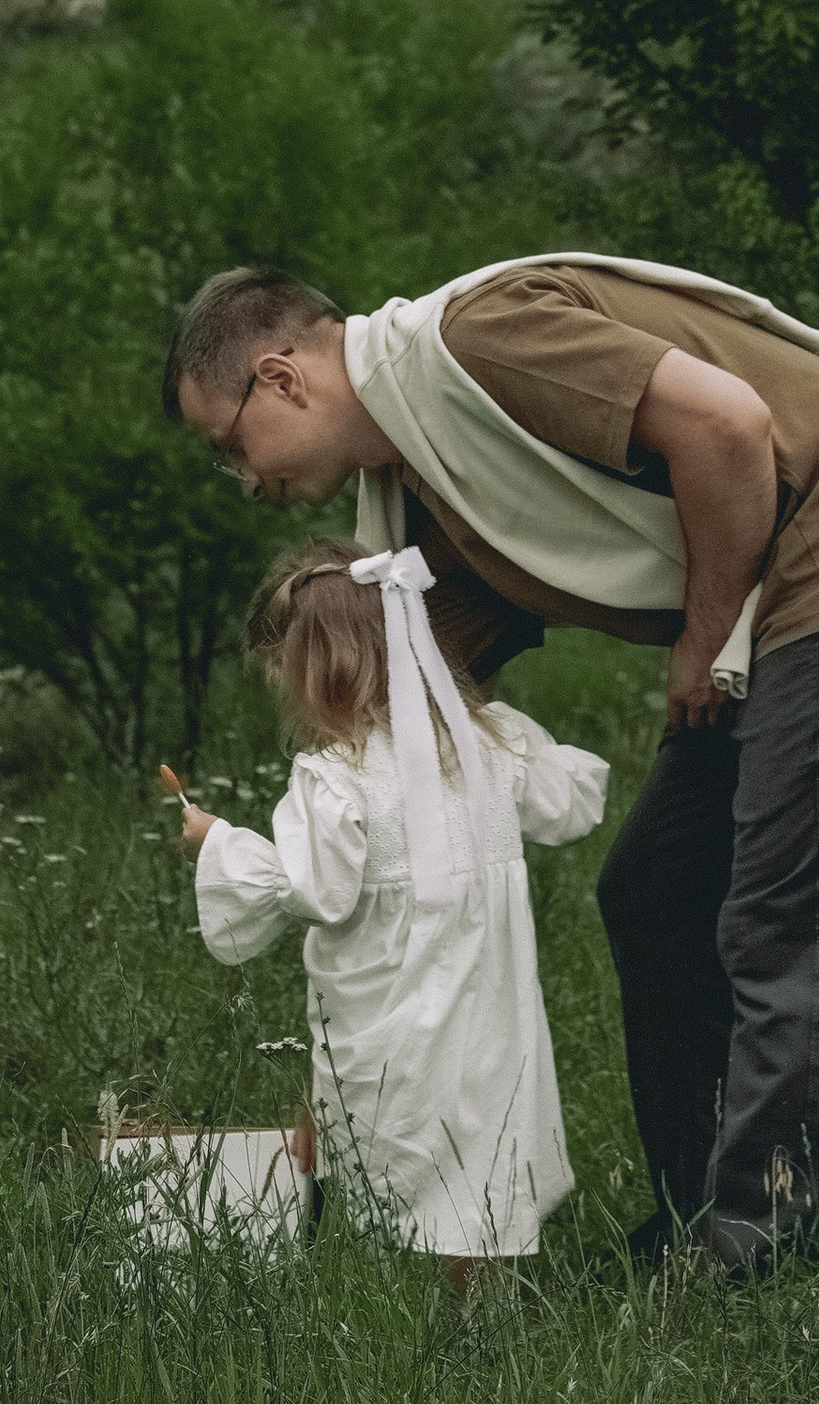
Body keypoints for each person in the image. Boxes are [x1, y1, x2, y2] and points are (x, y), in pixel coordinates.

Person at [162, 254, 819, 1272]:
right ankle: (738, 1184)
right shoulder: (420, 474)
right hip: (772, 610)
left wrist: (701, 641)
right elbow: (422, 678)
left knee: (792, 919)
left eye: (230, 446)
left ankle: (753, 1246)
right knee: (655, 891)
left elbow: (725, 428)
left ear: (282, 377)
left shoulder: (478, 342)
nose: (245, 482)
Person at [167, 537, 608, 1281]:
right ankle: (476, 1308)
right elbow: (569, 808)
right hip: (488, 1012)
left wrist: (217, 843)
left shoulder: (337, 779)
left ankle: (419, 1321)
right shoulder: (489, 745)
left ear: (313, 669)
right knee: (478, 1146)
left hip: (396, 1013)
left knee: (399, 1137)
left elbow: (310, 887)